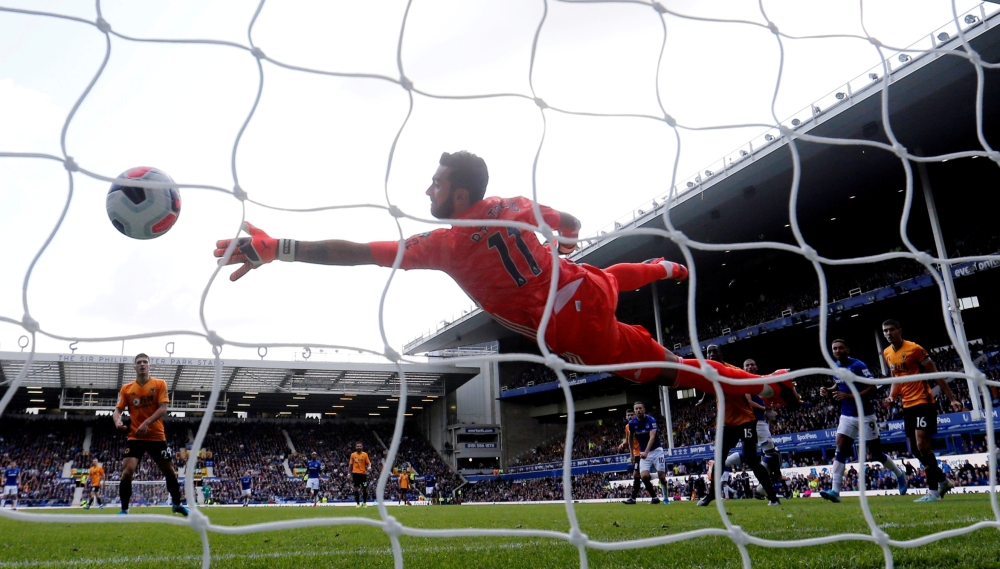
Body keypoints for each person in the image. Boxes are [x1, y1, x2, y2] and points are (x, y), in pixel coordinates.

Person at [213, 151, 799, 408]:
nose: (427, 190)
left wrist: (279, 249)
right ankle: (668, 268)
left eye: (435, 184)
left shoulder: (444, 245)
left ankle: (763, 386)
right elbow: (568, 221)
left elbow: (358, 253)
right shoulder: (511, 203)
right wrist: (562, 239)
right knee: (608, 277)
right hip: (580, 285)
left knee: (673, 365)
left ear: (459, 194)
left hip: (572, 331)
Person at [881, 320, 963, 502]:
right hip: (907, 405)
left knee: (923, 445)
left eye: (891, 329)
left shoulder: (915, 349)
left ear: (900, 330)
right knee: (914, 449)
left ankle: (933, 492)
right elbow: (897, 379)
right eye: (885, 331)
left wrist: (952, 398)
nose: (888, 333)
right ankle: (943, 481)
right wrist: (892, 396)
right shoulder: (887, 352)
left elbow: (935, 374)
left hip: (923, 401)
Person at [819, 339, 907, 503]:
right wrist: (828, 390)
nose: (837, 351)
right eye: (834, 348)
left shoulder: (858, 366)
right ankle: (835, 491)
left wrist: (848, 396)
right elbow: (838, 385)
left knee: (876, 453)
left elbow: (873, 388)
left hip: (865, 415)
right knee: (840, 448)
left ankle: (900, 475)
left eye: (840, 348)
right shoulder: (835, 367)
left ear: (847, 350)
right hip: (846, 415)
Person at [697, 345, 780, 506]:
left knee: (752, 460)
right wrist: (703, 400)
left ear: (721, 354)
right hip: (726, 423)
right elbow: (709, 388)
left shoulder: (732, 371)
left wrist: (767, 408)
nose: (712, 354)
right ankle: (711, 495)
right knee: (718, 460)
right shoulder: (709, 372)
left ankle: (773, 497)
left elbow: (754, 387)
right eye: (709, 352)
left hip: (745, 421)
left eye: (714, 351)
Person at [112, 353, 188, 516]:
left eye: (145, 362)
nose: (142, 364)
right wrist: (117, 421)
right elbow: (117, 410)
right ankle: (124, 509)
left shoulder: (159, 384)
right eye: (139, 362)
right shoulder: (127, 388)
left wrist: (146, 423)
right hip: (135, 437)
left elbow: (163, 408)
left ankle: (176, 504)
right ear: (134, 367)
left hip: (156, 436)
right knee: (127, 472)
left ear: (149, 366)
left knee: (170, 472)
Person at [725, 358, 786, 499]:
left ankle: (763, 486)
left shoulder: (758, 381)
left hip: (759, 421)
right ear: (743, 368)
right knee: (771, 453)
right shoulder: (746, 382)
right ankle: (763, 486)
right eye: (747, 365)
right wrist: (766, 409)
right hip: (755, 421)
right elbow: (748, 401)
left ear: (757, 367)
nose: (750, 367)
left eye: (752, 364)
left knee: (752, 455)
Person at [626, 401, 669, 505]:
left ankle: (666, 498)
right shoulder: (632, 423)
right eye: (636, 409)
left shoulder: (651, 420)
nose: (638, 410)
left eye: (640, 408)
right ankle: (654, 496)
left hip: (657, 451)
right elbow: (630, 438)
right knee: (644, 476)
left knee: (662, 477)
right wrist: (631, 453)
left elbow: (652, 437)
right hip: (643, 453)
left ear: (644, 410)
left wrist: (646, 452)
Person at [618, 409, 646, 505]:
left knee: (637, 475)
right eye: (628, 415)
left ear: (634, 415)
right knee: (639, 475)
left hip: (640, 452)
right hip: (636, 453)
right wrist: (623, 444)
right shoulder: (627, 427)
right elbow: (628, 440)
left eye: (631, 415)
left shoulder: (639, 425)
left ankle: (633, 498)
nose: (630, 416)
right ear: (626, 417)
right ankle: (652, 496)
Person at [350, 442, 371, 508]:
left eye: (360, 446)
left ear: (362, 447)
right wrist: (349, 473)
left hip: (363, 475)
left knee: (365, 488)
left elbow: (369, 463)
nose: (359, 447)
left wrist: (369, 466)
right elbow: (350, 464)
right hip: (355, 474)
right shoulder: (353, 455)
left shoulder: (365, 454)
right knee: (356, 489)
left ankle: (364, 503)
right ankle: (358, 504)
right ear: (355, 447)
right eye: (357, 446)